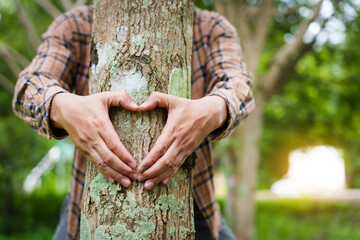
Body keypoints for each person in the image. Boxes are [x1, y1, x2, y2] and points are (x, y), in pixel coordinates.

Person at [13, 4, 254, 240]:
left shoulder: (211, 27)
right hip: (84, 201)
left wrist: (213, 109)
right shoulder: (74, 24)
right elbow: (29, 88)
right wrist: (62, 106)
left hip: (197, 201)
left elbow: (238, 87)